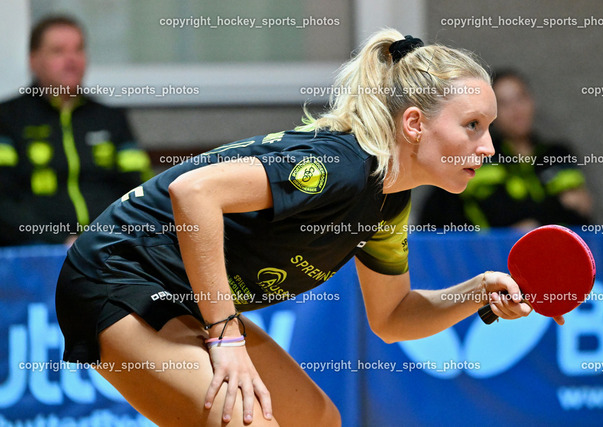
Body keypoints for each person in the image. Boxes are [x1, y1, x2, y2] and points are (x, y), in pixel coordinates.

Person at [56, 30, 563, 426]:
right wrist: (225, 337)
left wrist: (479, 291)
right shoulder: (340, 166)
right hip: (116, 274)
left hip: (180, 292)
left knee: (317, 420)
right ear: (413, 125)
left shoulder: (388, 201)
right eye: (472, 125)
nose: (488, 146)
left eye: (488, 128)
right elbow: (194, 192)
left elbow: (393, 317)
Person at [0, 15, 153, 246]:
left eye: (78, 49)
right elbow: (3, 201)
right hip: (38, 251)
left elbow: (141, 190)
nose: (71, 60)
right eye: (58, 51)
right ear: (33, 60)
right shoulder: (7, 117)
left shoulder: (111, 118)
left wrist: (114, 237)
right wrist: (60, 240)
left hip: (110, 247)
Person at [417, 69, 592, 230]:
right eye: (504, 103)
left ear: (532, 101)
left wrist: (534, 221)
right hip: (495, 253)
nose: (516, 110)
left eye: (520, 98)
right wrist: (558, 205)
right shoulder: (479, 157)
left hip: (557, 251)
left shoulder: (558, 154)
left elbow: (579, 215)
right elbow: (499, 216)